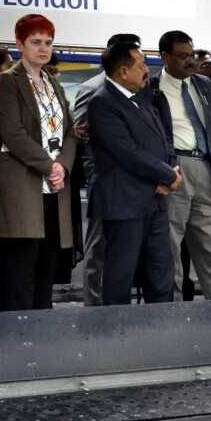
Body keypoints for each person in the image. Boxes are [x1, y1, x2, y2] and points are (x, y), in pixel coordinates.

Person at [86, 39, 181, 304]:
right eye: (141, 65)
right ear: (123, 71)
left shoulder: (141, 98)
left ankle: (161, 324)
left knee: (161, 272)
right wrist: (168, 175)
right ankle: (116, 327)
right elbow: (127, 152)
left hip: (154, 199)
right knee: (121, 273)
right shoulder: (102, 103)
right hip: (124, 202)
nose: (146, 70)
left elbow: (164, 139)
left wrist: (172, 169)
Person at [0, 14, 79, 310]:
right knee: (20, 271)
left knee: (47, 267)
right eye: (36, 42)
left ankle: (42, 327)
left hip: (54, 188)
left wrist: (63, 166)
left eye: (48, 42)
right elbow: (12, 132)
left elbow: (70, 132)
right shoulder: (6, 82)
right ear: (20, 45)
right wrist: (49, 166)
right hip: (23, 186)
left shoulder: (54, 84)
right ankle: (17, 330)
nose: (44, 49)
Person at [149, 30, 211, 301]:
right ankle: (171, 313)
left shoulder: (204, 84)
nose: (190, 61)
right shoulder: (151, 89)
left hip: (206, 169)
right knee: (169, 248)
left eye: (191, 55)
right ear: (165, 57)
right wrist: (160, 172)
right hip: (174, 170)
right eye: (183, 56)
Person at [70, 33, 139, 306]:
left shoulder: (139, 87)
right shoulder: (92, 88)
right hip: (105, 181)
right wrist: (94, 178)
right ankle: (94, 304)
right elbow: (82, 136)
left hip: (134, 181)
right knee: (99, 243)